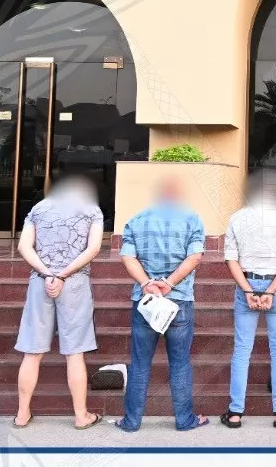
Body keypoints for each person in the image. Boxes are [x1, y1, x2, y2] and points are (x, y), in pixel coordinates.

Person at [116, 174, 207, 432]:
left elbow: (128, 257)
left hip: (145, 301)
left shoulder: (137, 220)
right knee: (180, 363)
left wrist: (147, 283)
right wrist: (169, 283)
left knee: (140, 363)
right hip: (179, 301)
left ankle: (131, 422)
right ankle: (185, 420)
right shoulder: (192, 218)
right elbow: (195, 257)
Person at [14, 174, 105, 430]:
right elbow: (94, 248)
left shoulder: (38, 208)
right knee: (74, 352)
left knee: (32, 352)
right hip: (74, 282)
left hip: (40, 282)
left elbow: (23, 247)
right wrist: (62, 275)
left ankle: (22, 414)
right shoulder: (92, 210)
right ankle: (81, 416)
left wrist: (47, 274)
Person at [220, 168, 276, 429]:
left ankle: (235, 413)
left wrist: (248, 290)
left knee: (242, 350)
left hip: (247, 284)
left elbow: (231, 259)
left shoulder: (237, 218)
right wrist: (270, 291)